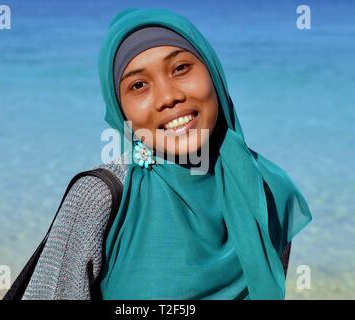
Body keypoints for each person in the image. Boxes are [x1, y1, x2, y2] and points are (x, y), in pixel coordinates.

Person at [22, 8, 312, 300]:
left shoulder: (268, 191)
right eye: (138, 85)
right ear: (120, 110)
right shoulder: (100, 198)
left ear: (213, 72)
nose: (168, 96)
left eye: (181, 68)